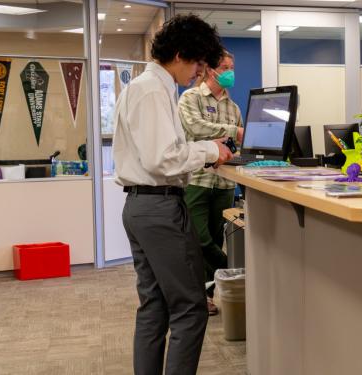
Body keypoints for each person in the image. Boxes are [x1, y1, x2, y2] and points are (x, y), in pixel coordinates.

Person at [112, 14, 232, 375]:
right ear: (179, 54)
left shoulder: (147, 87)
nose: (199, 73)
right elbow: (163, 159)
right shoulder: (152, 90)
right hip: (159, 207)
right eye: (197, 64)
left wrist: (203, 151)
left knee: (154, 307)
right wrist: (210, 150)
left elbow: (161, 153)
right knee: (191, 308)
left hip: (141, 205)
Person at [178, 50, 242, 315]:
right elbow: (196, 128)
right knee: (200, 239)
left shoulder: (233, 107)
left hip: (224, 184)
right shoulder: (190, 98)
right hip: (197, 180)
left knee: (216, 237)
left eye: (232, 67)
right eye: (224, 67)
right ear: (210, 70)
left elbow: (238, 145)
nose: (229, 72)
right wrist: (233, 132)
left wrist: (234, 148)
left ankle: (205, 296)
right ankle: (235, 270)